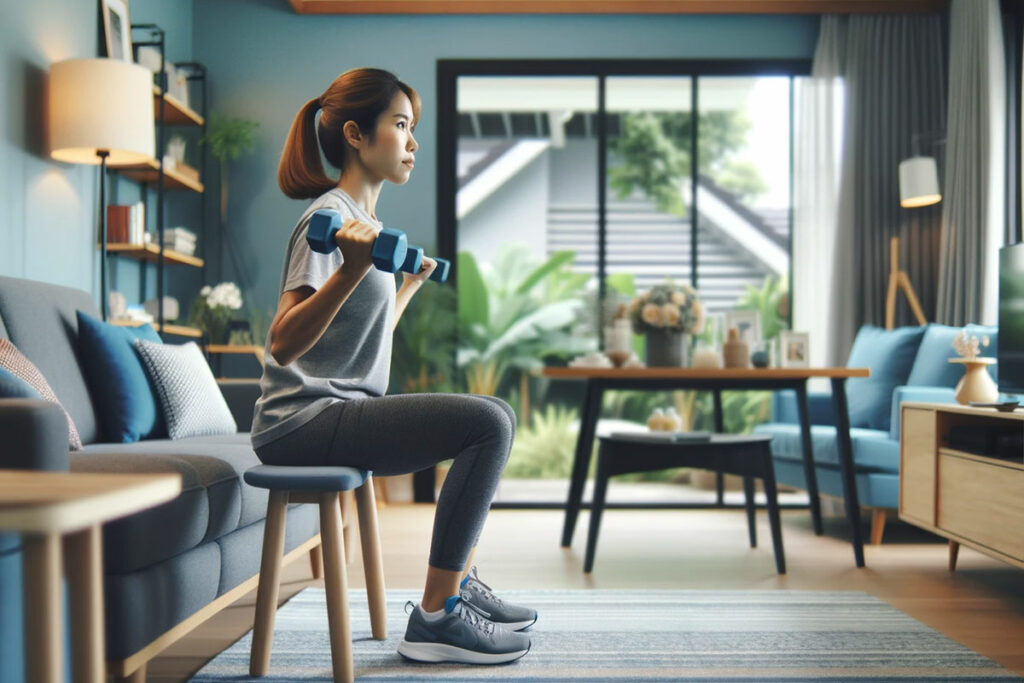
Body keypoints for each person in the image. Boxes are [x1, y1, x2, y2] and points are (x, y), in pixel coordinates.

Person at [250, 67, 535, 665]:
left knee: (497, 413)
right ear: (356, 134)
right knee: (490, 424)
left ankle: (456, 587)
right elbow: (282, 344)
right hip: (301, 420)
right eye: (400, 126)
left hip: (341, 409)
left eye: (413, 128)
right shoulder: (327, 220)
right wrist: (354, 271)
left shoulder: (366, 225)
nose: (411, 143)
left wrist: (403, 288)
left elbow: (361, 341)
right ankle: (437, 616)